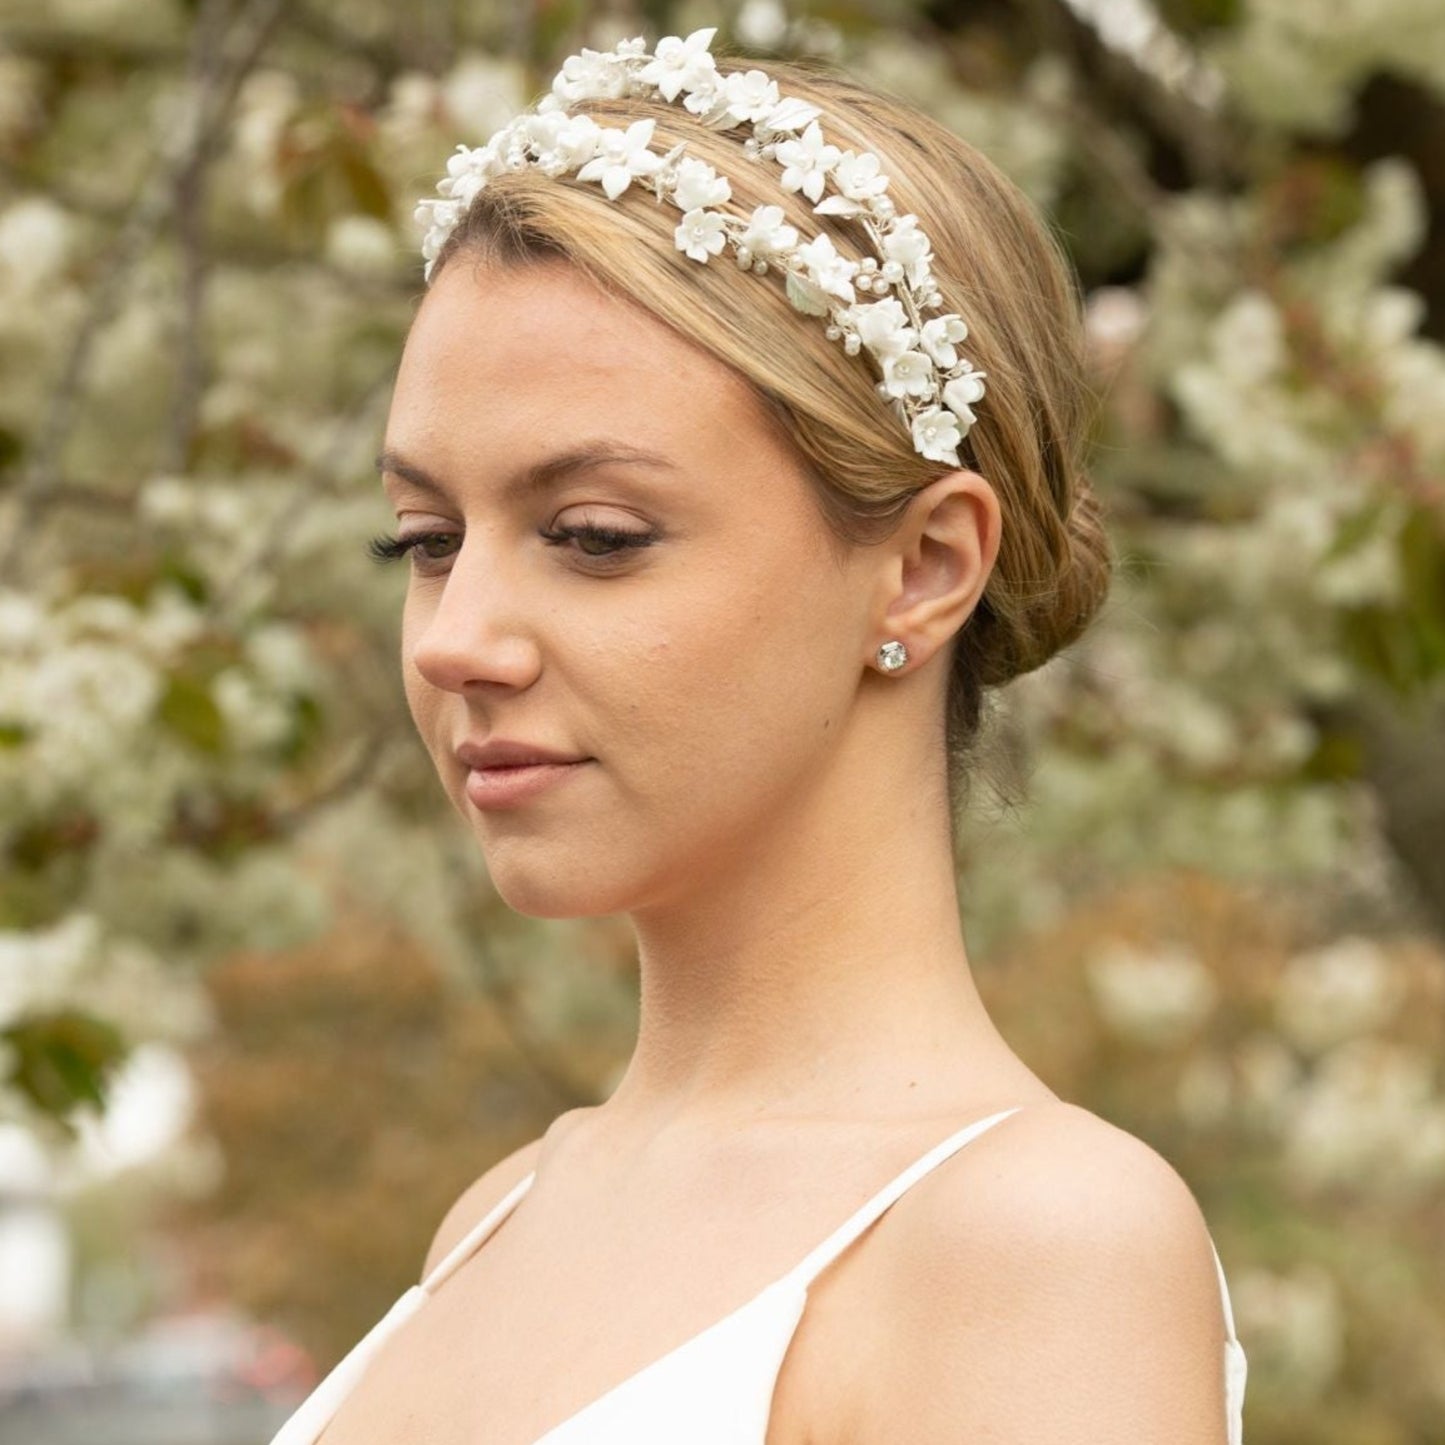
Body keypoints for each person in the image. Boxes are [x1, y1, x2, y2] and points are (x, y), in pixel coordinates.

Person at [271, 25, 1247, 1445]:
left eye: (594, 536)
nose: (452, 637)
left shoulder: (1035, 1247)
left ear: (919, 566)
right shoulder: (500, 1218)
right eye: (424, 538)